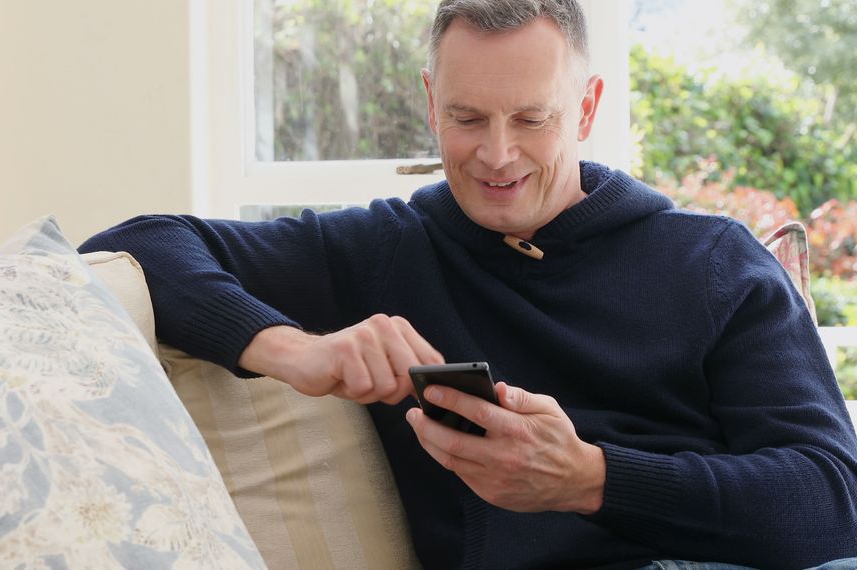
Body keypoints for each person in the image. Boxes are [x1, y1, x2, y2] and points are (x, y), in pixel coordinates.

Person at [80, 0, 857, 567]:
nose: (495, 155)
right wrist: (292, 352)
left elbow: (832, 500)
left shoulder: (712, 261)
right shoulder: (385, 248)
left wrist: (591, 479)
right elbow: (137, 246)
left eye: (530, 119)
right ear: (428, 104)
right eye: (466, 118)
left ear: (585, 110)